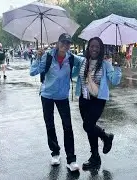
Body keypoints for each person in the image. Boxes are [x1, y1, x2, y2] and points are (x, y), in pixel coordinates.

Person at [30, 33, 84, 172]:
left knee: (68, 126)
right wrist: (37, 57)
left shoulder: (71, 58)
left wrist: (74, 72)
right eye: (63, 42)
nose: (65, 45)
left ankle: (71, 159)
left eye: (68, 43)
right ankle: (55, 153)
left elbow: (83, 62)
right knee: (50, 125)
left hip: (62, 97)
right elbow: (33, 72)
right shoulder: (47, 56)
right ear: (57, 42)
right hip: (47, 95)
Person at [74, 37, 121, 170]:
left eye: (97, 47)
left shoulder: (106, 64)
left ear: (101, 50)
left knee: (88, 125)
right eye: (92, 46)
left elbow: (115, 81)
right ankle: (95, 157)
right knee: (90, 128)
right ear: (88, 48)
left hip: (98, 100)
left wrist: (117, 67)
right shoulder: (83, 61)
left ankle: (106, 138)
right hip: (83, 99)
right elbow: (73, 73)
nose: (94, 49)